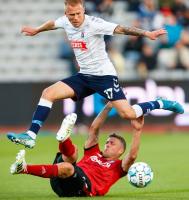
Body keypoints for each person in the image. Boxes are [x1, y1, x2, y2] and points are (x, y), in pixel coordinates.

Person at [7, 0, 184, 149]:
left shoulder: (95, 23)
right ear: (66, 12)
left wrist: (147, 33)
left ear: (83, 9)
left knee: (128, 114)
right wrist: (37, 30)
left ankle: (163, 102)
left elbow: (121, 29)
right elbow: (53, 23)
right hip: (84, 76)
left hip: (104, 77)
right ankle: (31, 135)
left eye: (78, 13)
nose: (75, 18)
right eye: (71, 15)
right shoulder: (65, 21)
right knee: (48, 93)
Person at [10, 102, 144, 197]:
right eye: (107, 142)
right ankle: (63, 139)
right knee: (73, 154)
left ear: (121, 151)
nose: (107, 144)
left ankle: (23, 168)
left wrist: (137, 130)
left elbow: (132, 156)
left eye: (112, 143)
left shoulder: (118, 167)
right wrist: (108, 106)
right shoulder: (94, 152)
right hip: (59, 178)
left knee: (68, 167)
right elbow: (94, 129)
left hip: (82, 188)